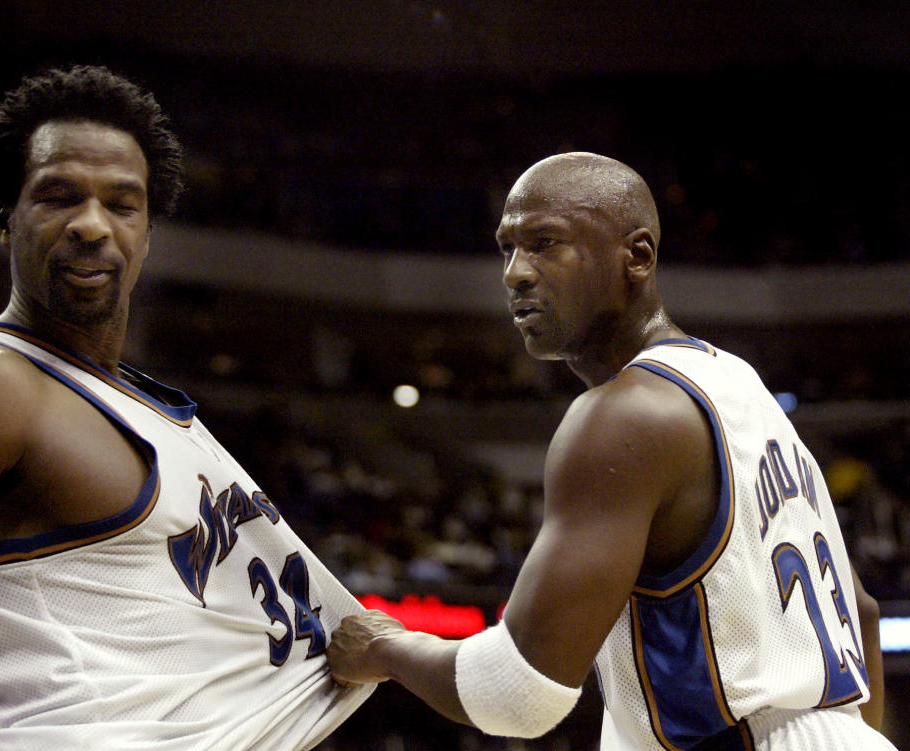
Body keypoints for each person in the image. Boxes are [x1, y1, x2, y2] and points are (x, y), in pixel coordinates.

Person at [327, 152, 896, 749]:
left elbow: (517, 691)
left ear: (638, 257)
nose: (516, 273)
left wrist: (387, 647)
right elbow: (862, 614)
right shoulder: (741, 389)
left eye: (546, 243)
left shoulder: (624, 414)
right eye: (508, 247)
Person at [0, 65, 374, 751]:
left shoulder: (155, 409)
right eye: (59, 197)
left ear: (146, 232)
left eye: (122, 203)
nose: (92, 224)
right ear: (5, 220)